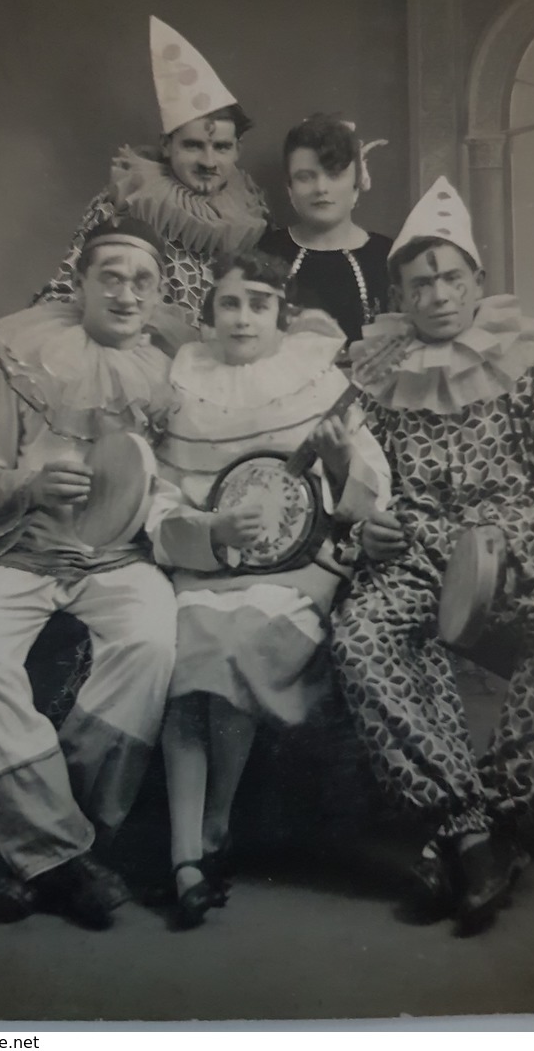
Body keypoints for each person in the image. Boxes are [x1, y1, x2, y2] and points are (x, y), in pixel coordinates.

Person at [330, 178, 534, 936]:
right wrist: (366, 533)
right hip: (414, 555)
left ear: (477, 283)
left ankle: (504, 819)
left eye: (452, 277)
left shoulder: (531, 364)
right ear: (401, 294)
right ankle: (465, 827)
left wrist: (498, 545)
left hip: (516, 555)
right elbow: (357, 497)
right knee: (362, 635)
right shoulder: (375, 379)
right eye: (421, 282)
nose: (439, 293)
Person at [0, 216, 180, 931]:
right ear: (79, 285)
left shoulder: (173, 375)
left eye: (142, 280)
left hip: (119, 560)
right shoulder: (22, 360)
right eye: (110, 276)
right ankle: (70, 860)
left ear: (159, 291)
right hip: (19, 549)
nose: (126, 293)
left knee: (151, 644)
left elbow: (182, 486)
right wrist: (28, 484)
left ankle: (43, 852)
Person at [149, 250, 392, 928]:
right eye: (230, 303)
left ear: (281, 316)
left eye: (259, 303)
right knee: (191, 647)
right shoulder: (186, 384)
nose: (243, 316)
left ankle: (210, 829)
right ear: (210, 314)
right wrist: (212, 526)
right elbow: (162, 497)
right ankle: (187, 851)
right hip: (211, 563)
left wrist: (341, 459)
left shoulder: (315, 382)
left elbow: (370, 495)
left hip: (298, 569)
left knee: (231, 643)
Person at [37, 17, 268, 333]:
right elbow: (68, 289)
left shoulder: (247, 217)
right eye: (193, 146)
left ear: (237, 150)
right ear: (167, 144)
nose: (209, 161)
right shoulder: (129, 200)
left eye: (222, 147)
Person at [259, 113, 392, 344]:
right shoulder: (265, 252)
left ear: (356, 183)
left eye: (334, 174)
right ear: (289, 188)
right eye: (305, 177)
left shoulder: (388, 256)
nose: (321, 188)